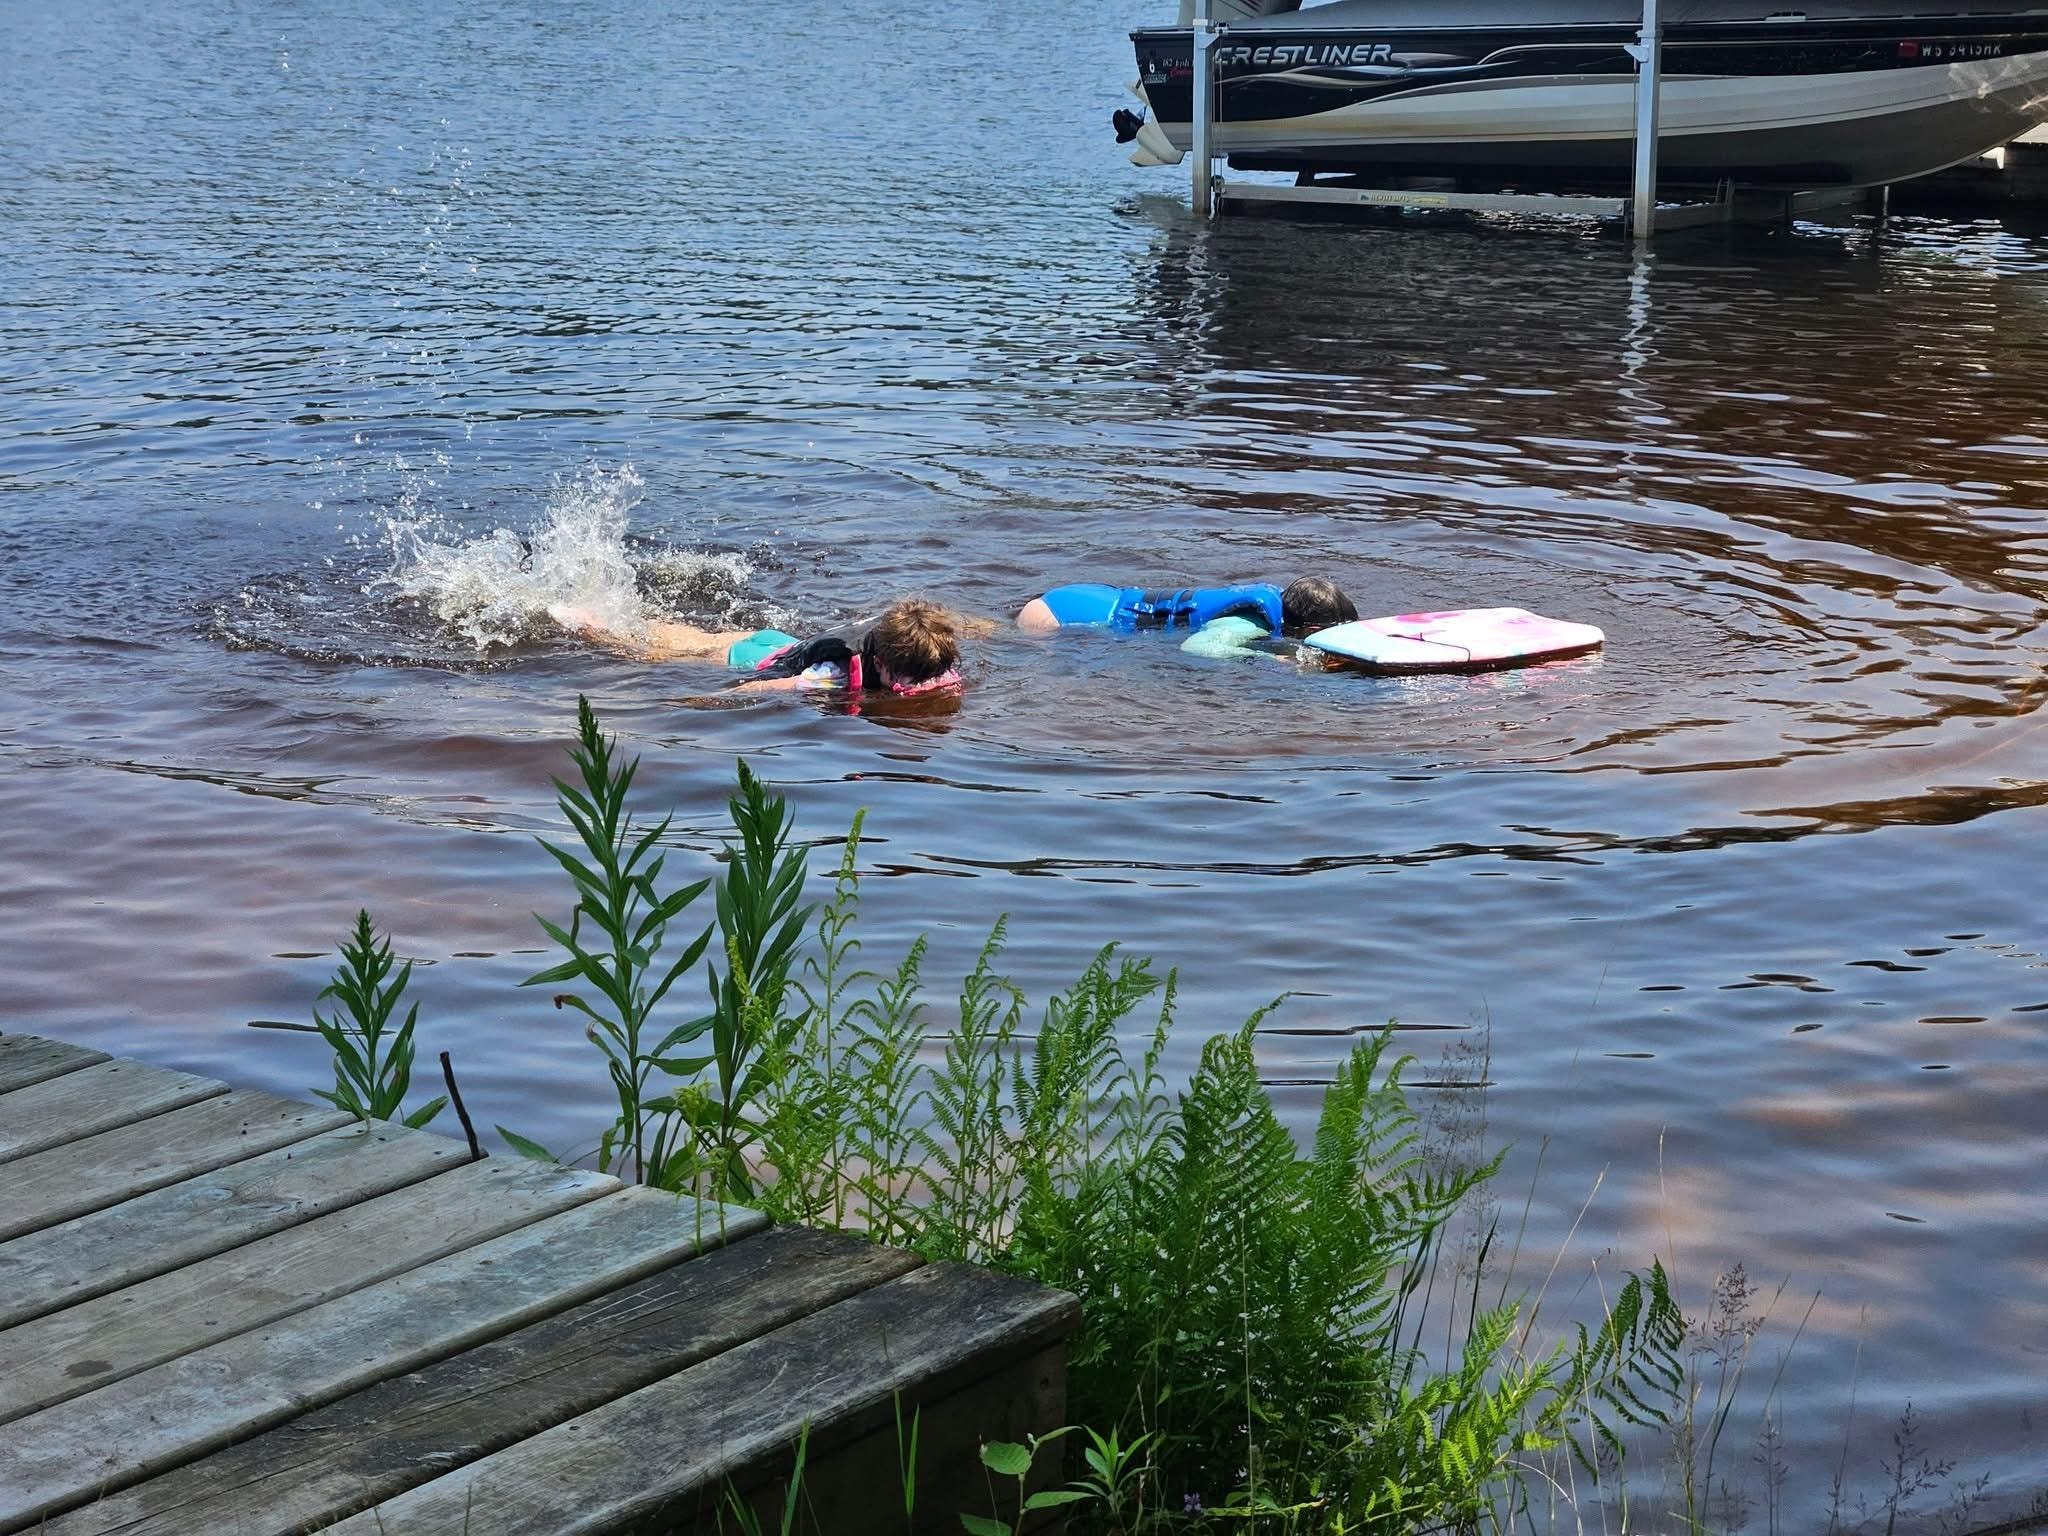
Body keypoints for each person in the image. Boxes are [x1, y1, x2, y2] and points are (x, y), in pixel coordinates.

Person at [549, 597, 962, 696]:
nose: (913, 684)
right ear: (877, 659)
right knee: (645, 653)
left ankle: (609, 609)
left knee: (681, 637)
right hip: (750, 657)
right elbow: (764, 688)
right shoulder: (833, 674)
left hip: (780, 641)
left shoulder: (922, 655)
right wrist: (703, 700)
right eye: (904, 677)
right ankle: (589, 628)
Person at [1016, 576, 1357, 638]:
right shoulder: (1247, 623)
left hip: (1095, 595)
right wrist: (1273, 659)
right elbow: (1203, 647)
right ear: (1309, 629)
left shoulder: (1277, 597)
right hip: (1065, 617)